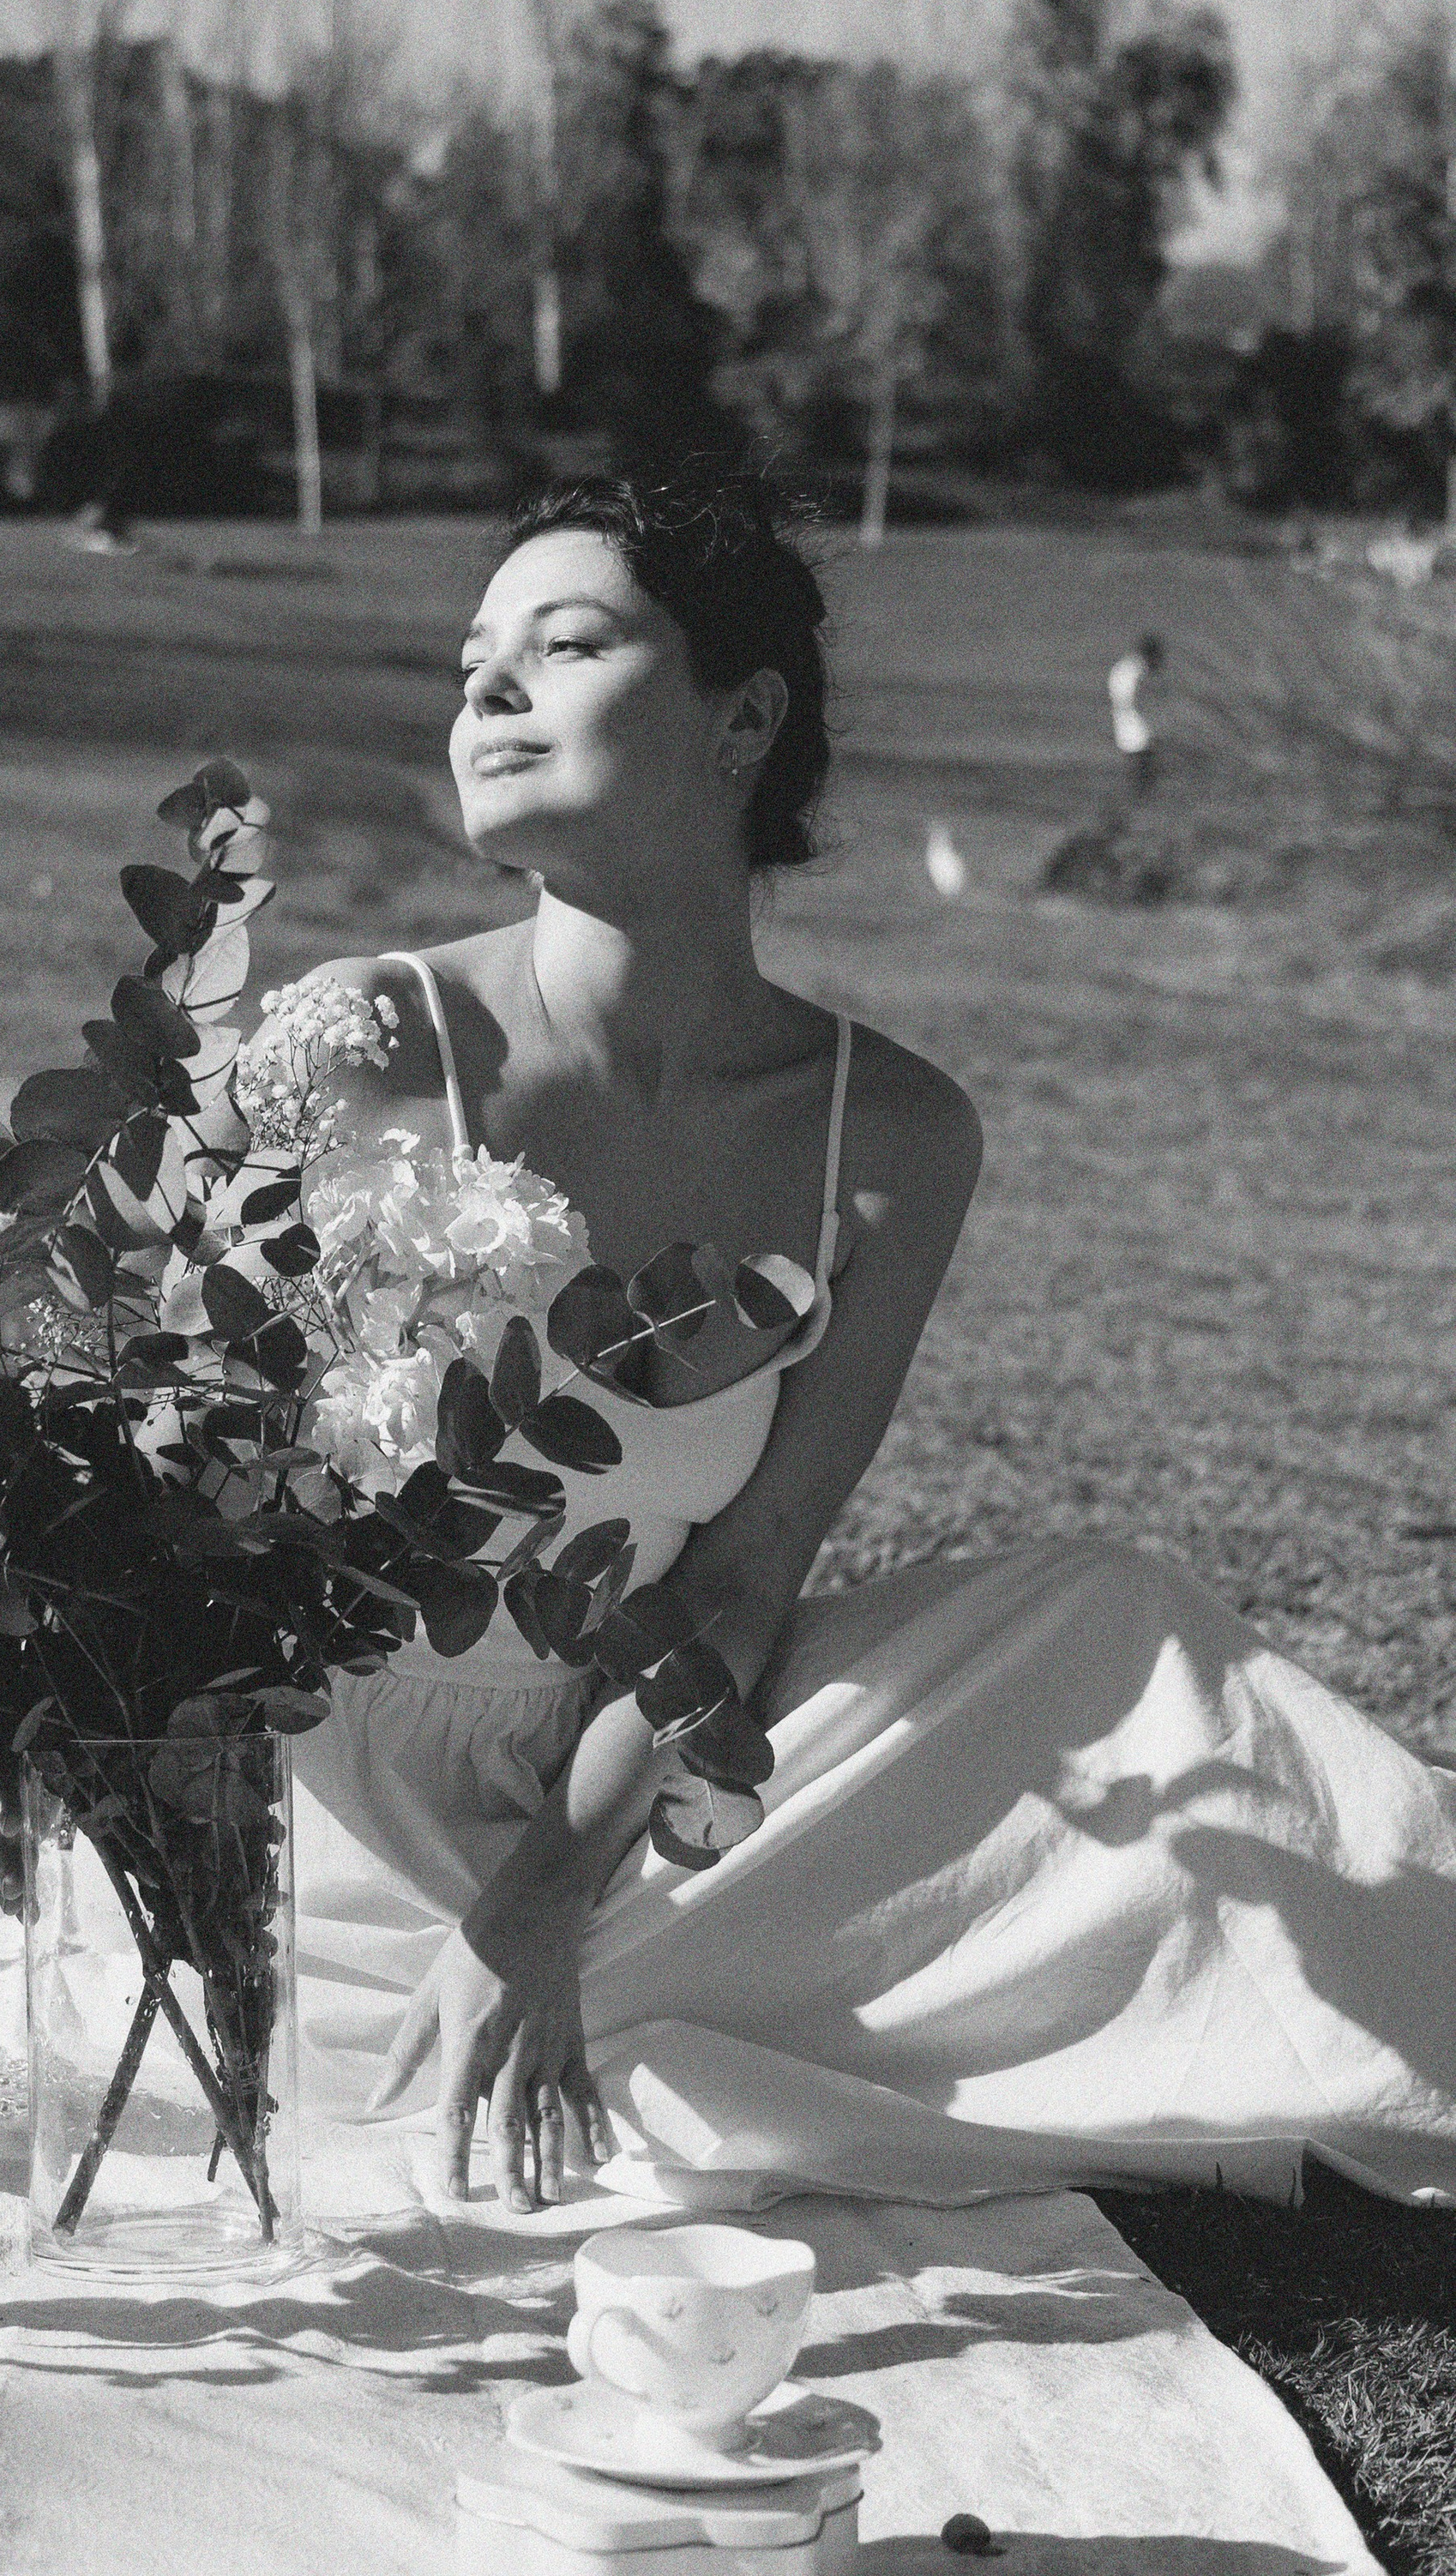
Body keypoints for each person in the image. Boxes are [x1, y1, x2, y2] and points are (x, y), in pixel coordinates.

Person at [277, 466, 1456, 2223]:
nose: (486, 695)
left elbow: (745, 1576)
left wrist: (538, 1898)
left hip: (631, 1786)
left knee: (1109, 1630)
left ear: (741, 713)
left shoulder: (887, 1134)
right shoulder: (361, 1040)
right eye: (470, 665)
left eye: (566, 642)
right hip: (318, 1783)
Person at [1107, 630, 1164, 797]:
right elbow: (1141, 702)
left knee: (1137, 771)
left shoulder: (1123, 668)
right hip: (1136, 731)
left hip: (1125, 729)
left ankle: (1136, 797)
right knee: (1145, 772)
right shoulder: (1138, 673)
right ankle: (1141, 799)